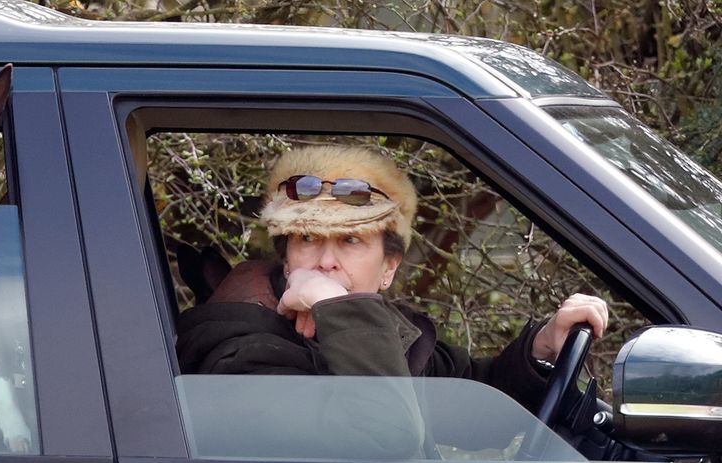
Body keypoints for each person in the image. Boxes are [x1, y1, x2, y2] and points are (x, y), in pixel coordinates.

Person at [175, 144, 609, 434]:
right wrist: (334, 304)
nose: (325, 261)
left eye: (350, 240)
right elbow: (385, 437)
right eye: (307, 238)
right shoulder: (240, 356)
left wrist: (542, 347)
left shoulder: (380, 332)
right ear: (286, 257)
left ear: (388, 269)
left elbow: (471, 397)